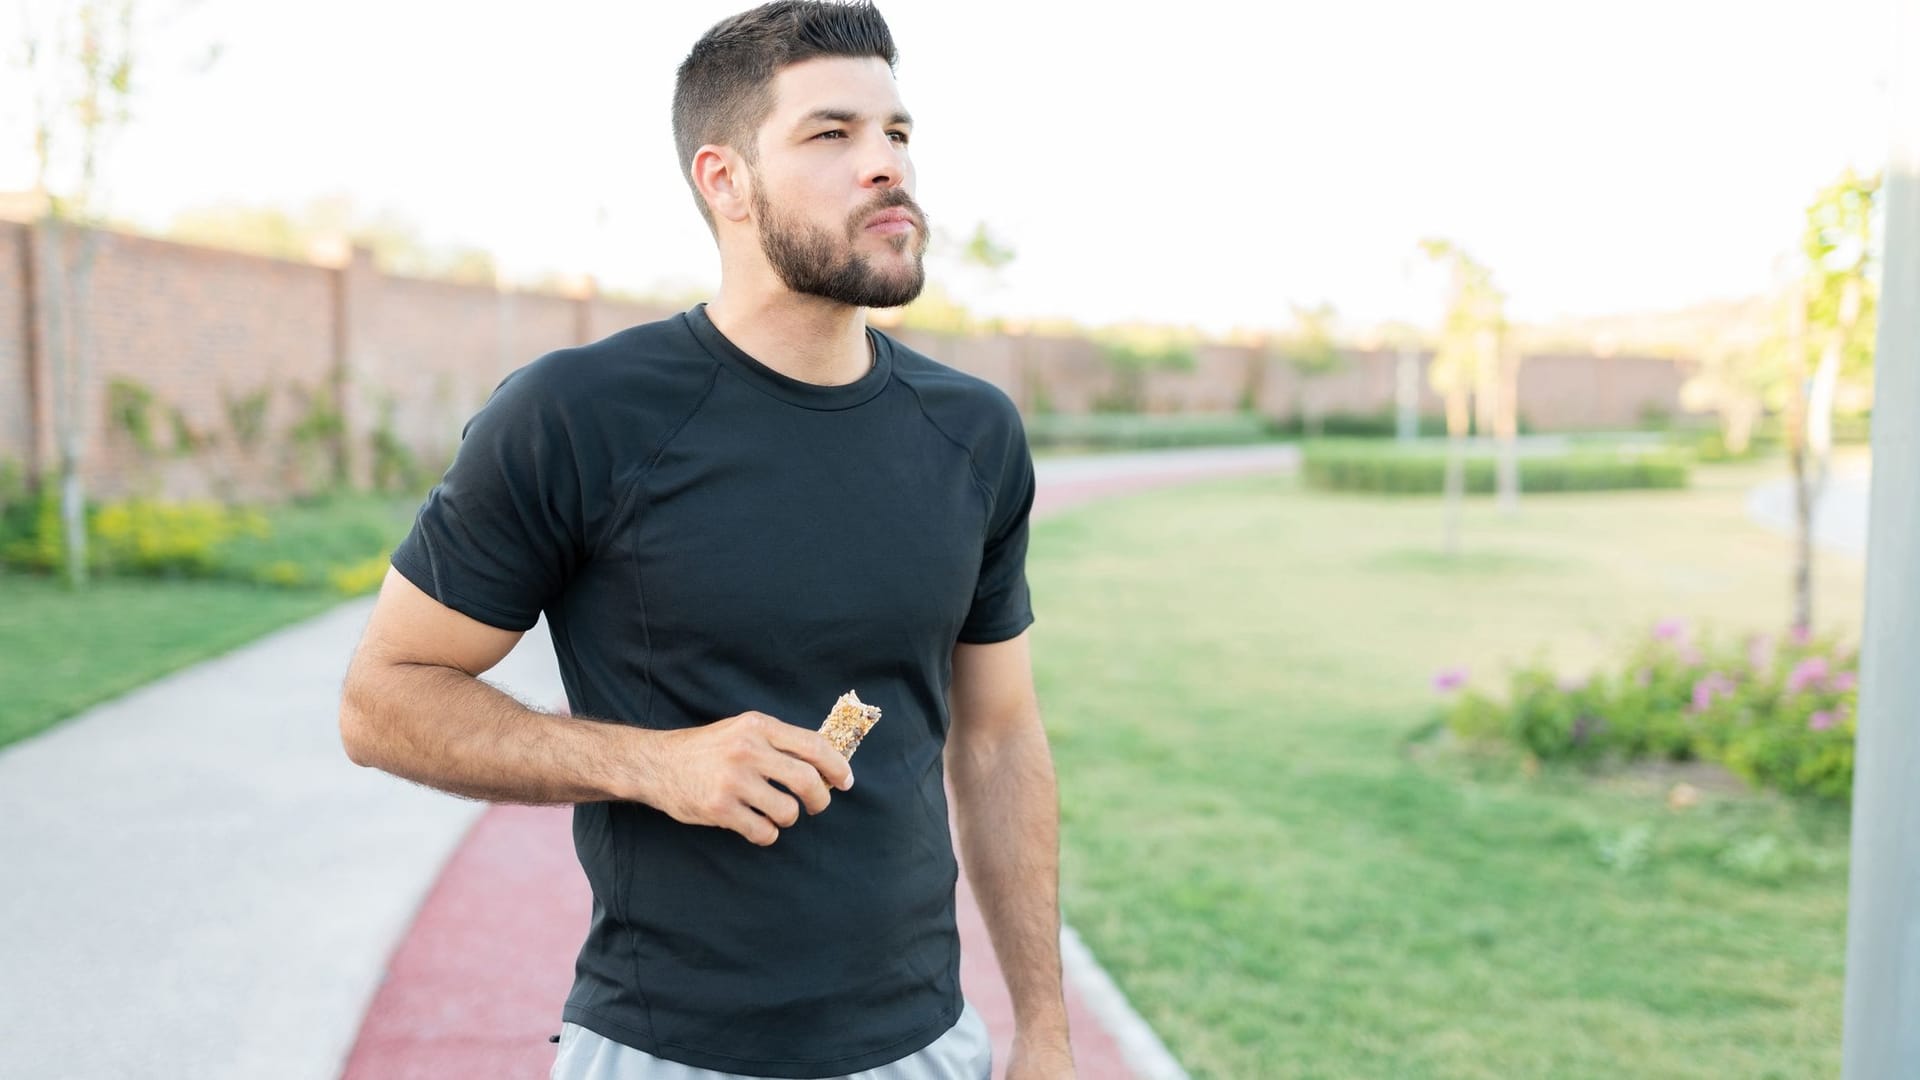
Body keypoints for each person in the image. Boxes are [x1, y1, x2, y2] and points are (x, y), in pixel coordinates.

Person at [336, 3, 1075, 1078]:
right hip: (666, 1053)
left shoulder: (975, 433)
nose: (886, 165)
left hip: (928, 1048)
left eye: (898, 134)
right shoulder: (577, 414)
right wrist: (652, 764)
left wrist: (1044, 1029)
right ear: (723, 180)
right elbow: (380, 700)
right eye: (833, 135)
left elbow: (1000, 737)